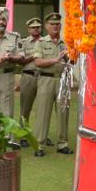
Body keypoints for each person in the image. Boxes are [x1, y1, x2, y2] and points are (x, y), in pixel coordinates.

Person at [31, 13, 71, 156]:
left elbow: (72, 62)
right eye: (52, 24)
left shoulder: (66, 43)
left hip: (62, 79)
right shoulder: (41, 42)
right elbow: (37, 62)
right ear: (47, 26)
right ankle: (40, 145)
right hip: (46, 80)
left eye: (57, 24)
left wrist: (70, 58)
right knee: (43, 112)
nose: (55, 26)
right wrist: (55, 60)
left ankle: (63, 144)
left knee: (63, 112)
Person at [18, 17, 44, 133]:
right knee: (25, 108)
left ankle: (41, 133)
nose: (36, 29)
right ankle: (23, 133)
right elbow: (20, 61)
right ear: (28, 29)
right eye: (33, 28)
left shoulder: (46, 41)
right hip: (28, 76)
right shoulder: (23, 43)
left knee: (43, 108)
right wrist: (34, 55)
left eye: (38, 27)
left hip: (43, 76)